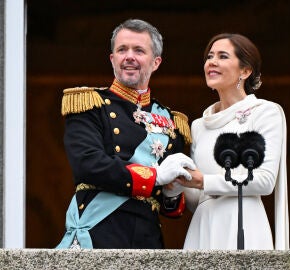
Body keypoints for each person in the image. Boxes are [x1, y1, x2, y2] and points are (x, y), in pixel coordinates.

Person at [56, 19, 195, 249]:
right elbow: (88, 164)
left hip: (147, 239)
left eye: (139, 50)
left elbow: (168, 207)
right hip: (99, 232)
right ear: (113, 59)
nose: (129, 56)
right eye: (122, 50)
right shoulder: (89, 105)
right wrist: (155, 177)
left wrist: (172, 192)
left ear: (156, 62)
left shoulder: (172, 121)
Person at [174, 33, 289, 250]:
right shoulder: (199, 125)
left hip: (244, 220)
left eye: (223, 56)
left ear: (245, 71)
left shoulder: (265, 113)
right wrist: (176, 182)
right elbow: (196, 198)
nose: (212, 62)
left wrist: (203, 181)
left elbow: (264, 181)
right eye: (209, 56)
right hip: (203, 224)